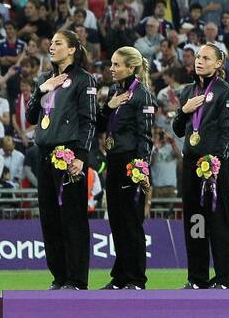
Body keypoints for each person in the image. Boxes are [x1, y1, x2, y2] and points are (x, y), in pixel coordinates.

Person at [28, 30, 97, 290]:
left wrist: (81, 155)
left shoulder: (84, 80)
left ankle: (76, 279)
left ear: (72, 50)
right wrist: (40, 89)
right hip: (44, 155)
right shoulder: (45, 78)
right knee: (50, 220)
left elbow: (89, 121)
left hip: (69, 156)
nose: (51, 46)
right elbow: (31, 117)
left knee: (72, 219)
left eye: (58, 43)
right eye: (51, 42)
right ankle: (59, 276)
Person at [174, 43, 229, 290]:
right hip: (190, 165)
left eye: (206, 58)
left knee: (218, 221)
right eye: (198, 57)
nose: (200, 61)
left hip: (213, 165)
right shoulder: (187, 91)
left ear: (218, 63)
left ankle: (222, 279)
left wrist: (215, 161)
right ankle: (197, 277)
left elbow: (228, 130)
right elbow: (179, 130)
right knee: (195, 221)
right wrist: (183, 111)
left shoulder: (225, 91)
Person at [97, 46, 155, 290]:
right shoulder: (114, 90)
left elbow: (146, 136)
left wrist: (140, 167)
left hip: (131, 162)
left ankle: (136, 278)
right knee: (117, 222)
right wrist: (108, 106)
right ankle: (121, 276)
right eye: (111, 63)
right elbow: (100, 125)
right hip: (114, 160)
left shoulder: (142, 95)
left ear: (131, 68)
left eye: (117, 65)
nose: (111, 68)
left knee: (131, 222)